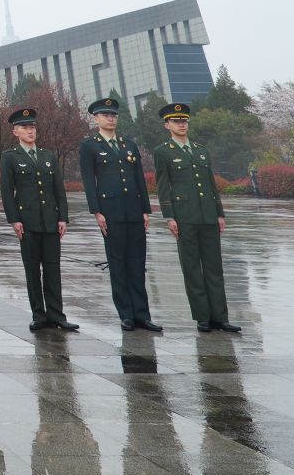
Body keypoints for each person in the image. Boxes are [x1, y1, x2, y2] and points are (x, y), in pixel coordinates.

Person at [152, 102, 240, 334]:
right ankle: (202, 317)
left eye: (184, 120)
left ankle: (220, 317)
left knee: (214, 268)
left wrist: (219, 213)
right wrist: (169, 216)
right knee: (192, 268)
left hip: (208, 216)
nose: (181, 124)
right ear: (167, 125)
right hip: (185, 217)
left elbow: (211, 184)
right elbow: (163, 186)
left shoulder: (201, 150)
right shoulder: (163, 152)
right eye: (176, 121)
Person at [80, 97, 161, 333]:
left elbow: (139, 179)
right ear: (96, 119)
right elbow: (89, 181)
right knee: (118, 264)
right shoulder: (90, 146)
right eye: (105, 115)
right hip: (111, 212)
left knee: (137, 263)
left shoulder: (129, 145)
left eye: (113, 115)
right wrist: (97, 211)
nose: (110, 119)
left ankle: (142, 314)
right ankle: (126, 314)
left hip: (134, 211)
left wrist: (145, 209)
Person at [0, 106, 75, 333]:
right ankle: (39, 315)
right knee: (32, 270)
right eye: (24, 127)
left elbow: (58, 190)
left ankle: (57, 315)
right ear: (15, 131)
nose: (30, 131)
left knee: (53, 270)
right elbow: (7, 192)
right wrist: (14, 220)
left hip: (50, 221)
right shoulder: (10, 157)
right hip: (28, 222)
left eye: (32, 127)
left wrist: (63, 218)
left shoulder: (47, 156)